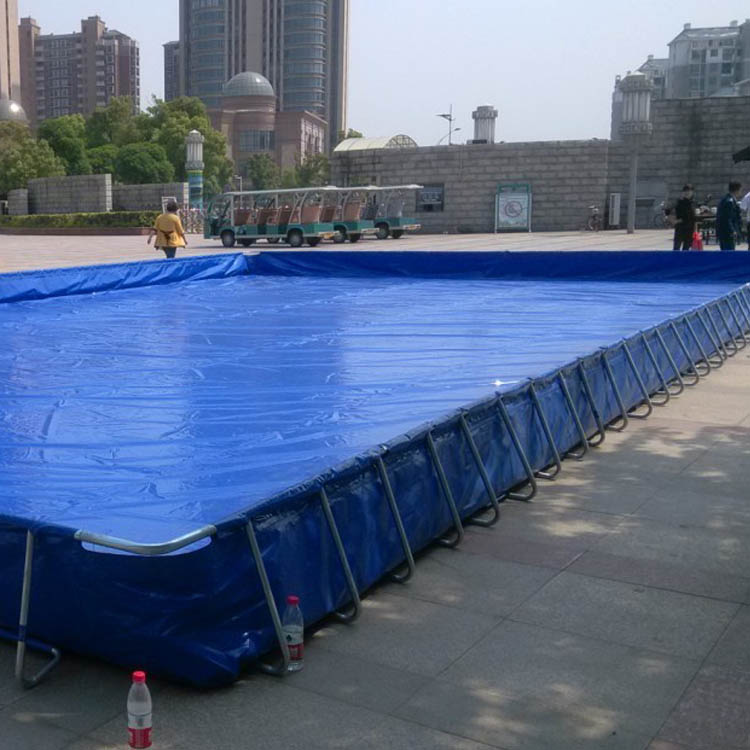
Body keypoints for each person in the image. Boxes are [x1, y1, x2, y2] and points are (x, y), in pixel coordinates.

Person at [716, 181, 743, 252]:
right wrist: (732, 230)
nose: (741, 192)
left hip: (723, 232)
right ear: (737, 190)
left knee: (725, 252)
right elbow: (728, 218)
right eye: (740, 190)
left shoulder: (725, 199)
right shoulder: (729, 202)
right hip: (728, 233)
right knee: (729, 252)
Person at [672, 184, 695, 251]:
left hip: (690, 229)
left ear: (692, 192)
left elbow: (693, 217)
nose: (687, 192)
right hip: (680, 228)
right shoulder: (679, 202)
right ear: (682, 192)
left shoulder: (693, 203)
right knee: (676, 249)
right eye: (685, 191)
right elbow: (677, 215)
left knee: (686, 250)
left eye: (689, 191)